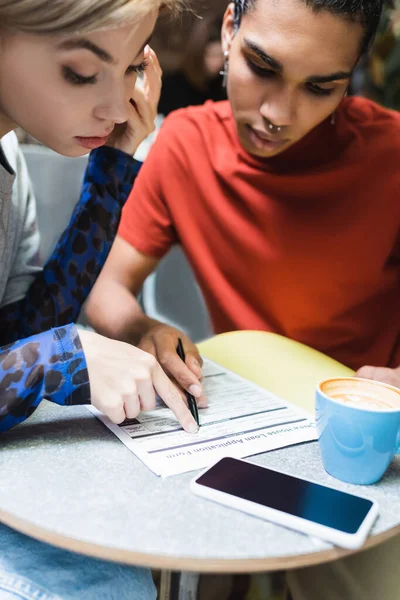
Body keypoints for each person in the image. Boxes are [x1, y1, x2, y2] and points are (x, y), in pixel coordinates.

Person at [87, 0, 400, 598]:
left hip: (367, 459)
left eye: (321, 87)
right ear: (229, 29)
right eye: (263, 66)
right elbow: (105, 287)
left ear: (352, 77)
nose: (279, 114)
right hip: (242, 435)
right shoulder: (184, 144)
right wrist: (145, 328)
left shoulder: (392, 160)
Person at [0, 0, 198, 598]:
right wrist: (56, 358)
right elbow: (37, 347)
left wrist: (112, 170)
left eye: (131, 67)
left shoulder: (9, 160)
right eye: (83, 73)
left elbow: (27, 325)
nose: (115, 108)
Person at [158, 15, 227, 115]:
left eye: (221, 56)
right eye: (211, 55)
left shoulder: (223, 86)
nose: (217, 62)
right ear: (199, 53)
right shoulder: (172, 86)